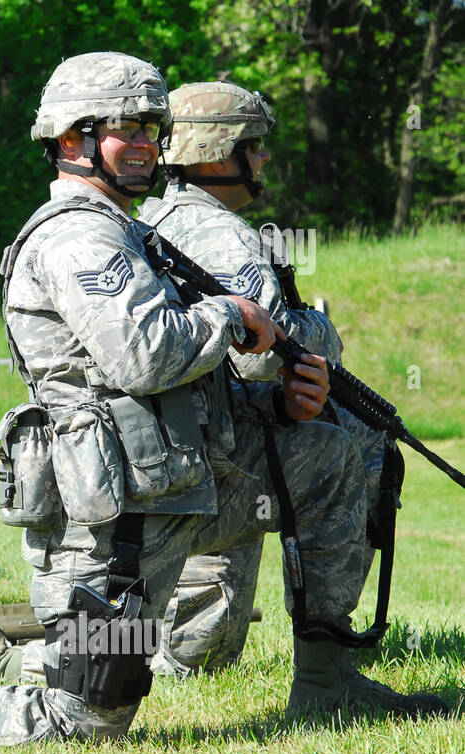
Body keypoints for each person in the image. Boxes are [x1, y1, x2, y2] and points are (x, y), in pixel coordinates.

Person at [0, 52, 445, 749]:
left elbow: (195, 383)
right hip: (111, 526)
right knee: (86, 719)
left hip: (189, 486)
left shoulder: (131, 232)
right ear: (71, 139)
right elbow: (149, 355)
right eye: (125, 130)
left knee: (332, 454)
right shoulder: (76, 237)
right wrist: (229, 313)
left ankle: (326, 686)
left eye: (153, 129)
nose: (146, 146)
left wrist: (280, 411)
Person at [137, 81, 392, 676]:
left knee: (201, 661)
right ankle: (328, 656)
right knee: (360, 449)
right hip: (216, 447)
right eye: (254, 145)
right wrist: (320, 332)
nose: (265, 158)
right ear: (216, 153)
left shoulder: (151, 216)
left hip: (172, 444)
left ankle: (194, 642)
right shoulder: (226, 236)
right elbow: (263, 355)